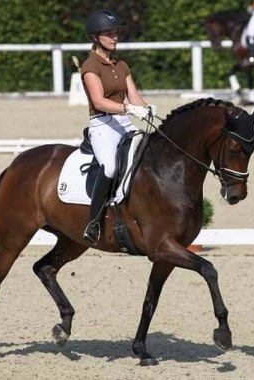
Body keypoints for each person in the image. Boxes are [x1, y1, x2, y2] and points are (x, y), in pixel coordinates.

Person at [80, 9, 157, 244]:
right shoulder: (90, 66)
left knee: (146, 156)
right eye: (109, 33)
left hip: (123, 121)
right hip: (102, 124)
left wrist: (147, 108)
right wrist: (128, 109)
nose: (114, 37)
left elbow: (133, 96)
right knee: (111, 168)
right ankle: (93, 223)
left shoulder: (121, 65)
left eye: (115, 32)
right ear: (95, 37)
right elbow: (98, 101)